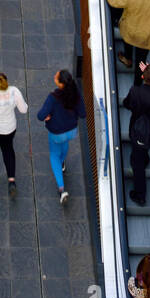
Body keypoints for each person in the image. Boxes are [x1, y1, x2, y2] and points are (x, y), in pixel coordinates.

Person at [36, 69, 86, 204]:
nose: (54, 76)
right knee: (63, 146)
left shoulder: (53, 97)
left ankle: (61, 189)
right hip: (71, 131)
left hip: (57, 133)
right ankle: (62, 162)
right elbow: (82, 113)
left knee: (54, 155)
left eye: (56, 76)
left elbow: (40, 116)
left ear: (60, 84)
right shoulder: (75, 93)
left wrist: (48, 116)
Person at [123, 64, 150, 207]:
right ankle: (145, 157)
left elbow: (127, 104)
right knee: (143, 150)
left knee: (137, 165)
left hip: (137, 131)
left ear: (143, 77)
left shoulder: (135, 91)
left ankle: (140, 195)